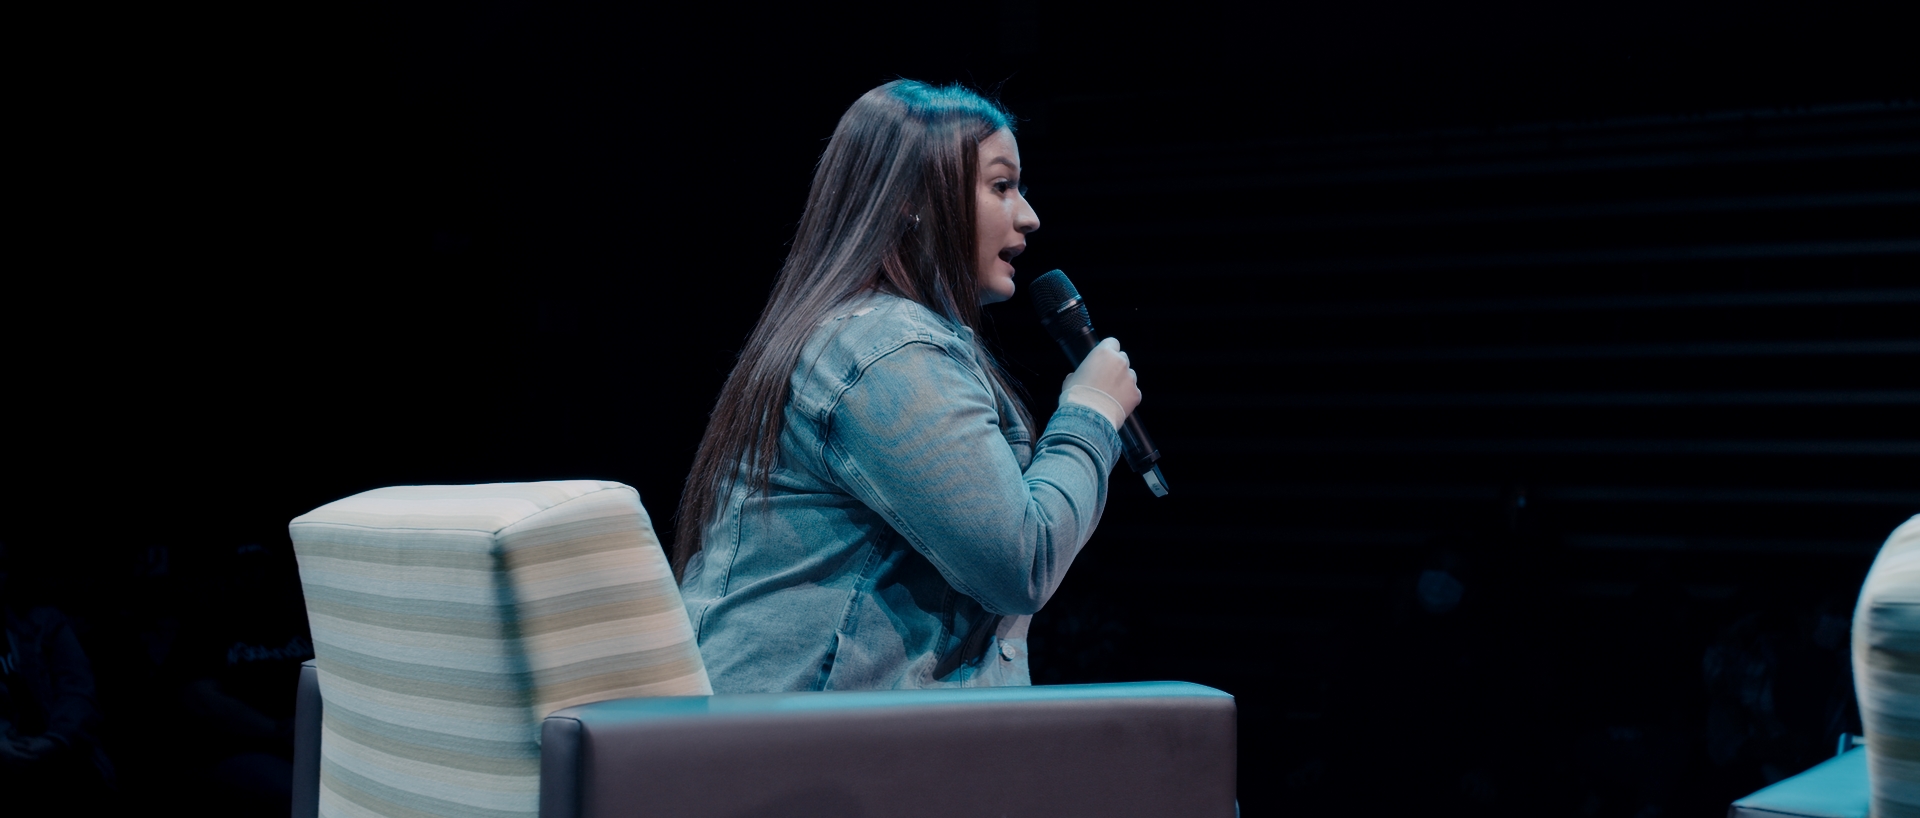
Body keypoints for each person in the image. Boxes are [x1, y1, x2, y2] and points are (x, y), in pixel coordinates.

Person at [674, 80, 1142, 693]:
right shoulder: (887, 352)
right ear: (913, 201)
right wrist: (1091, 413)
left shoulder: (881, 338)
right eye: (1002, 186)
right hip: (794, 759)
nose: (1028, 215)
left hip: (832, 748)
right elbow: (1019, 561)